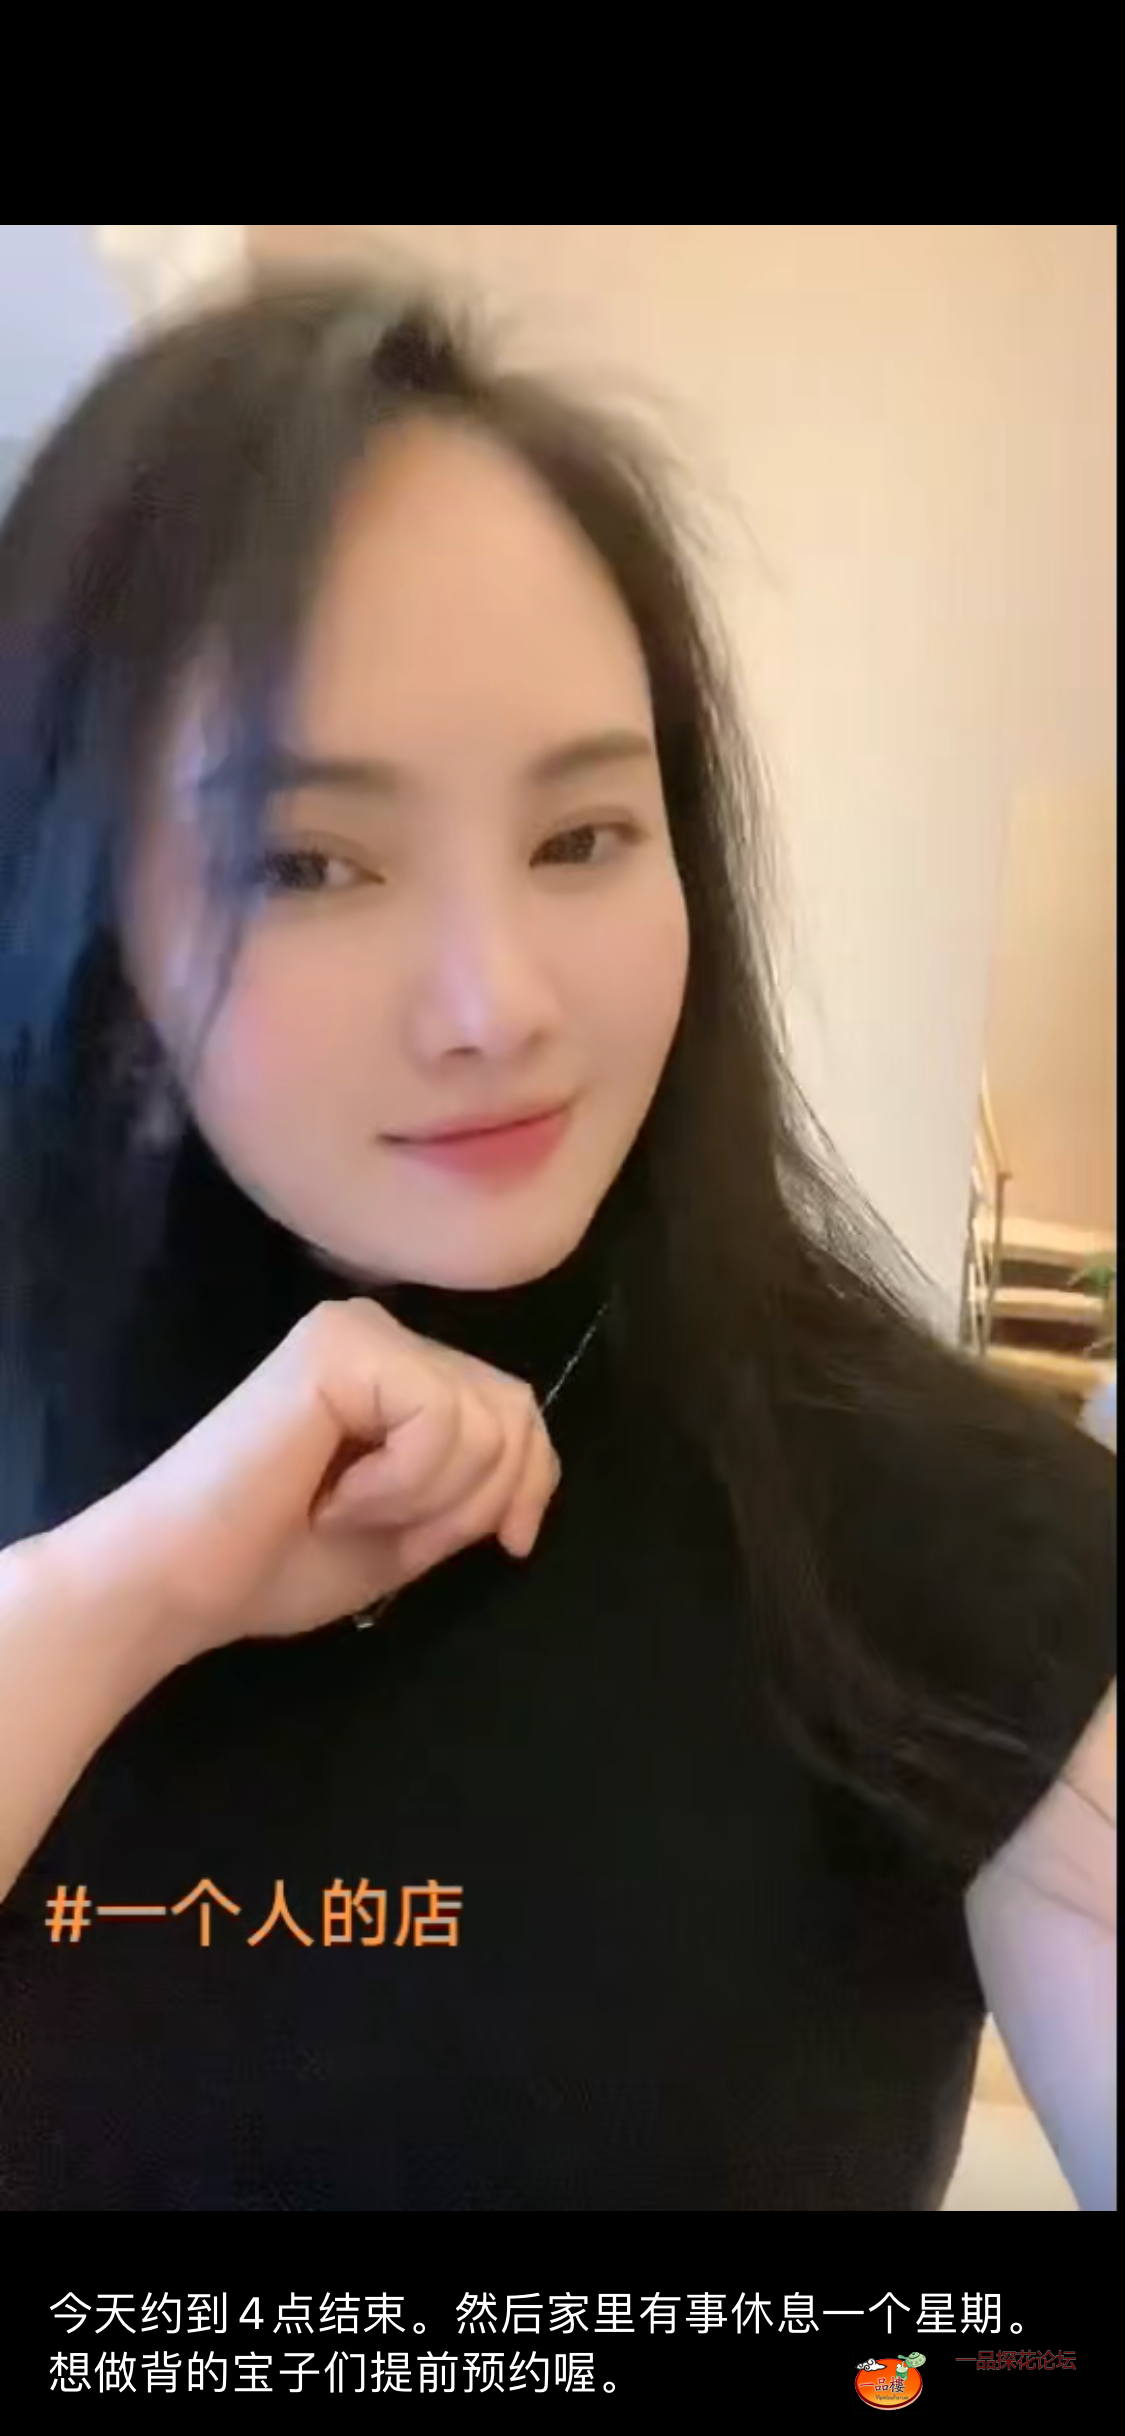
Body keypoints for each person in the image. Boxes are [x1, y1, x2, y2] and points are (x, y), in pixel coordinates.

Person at [0, 272, 1115, 2213]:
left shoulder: (937, 1537)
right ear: (96, 936)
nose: (498, 1002)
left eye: (581, 836)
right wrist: (134, 1590)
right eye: (312, 863)